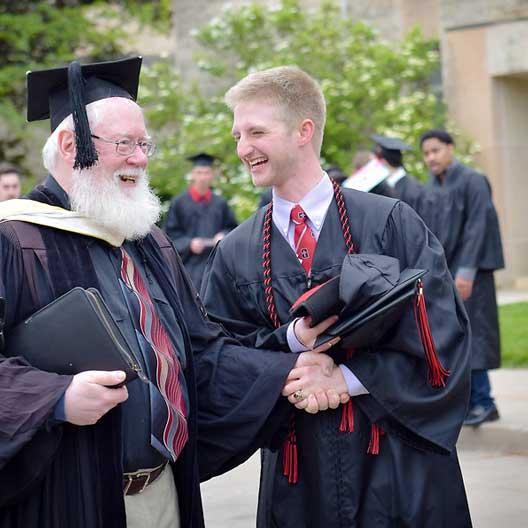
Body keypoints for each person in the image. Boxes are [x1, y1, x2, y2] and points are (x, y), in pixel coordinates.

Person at [0, 57, 335, 528]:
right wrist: (55, 398)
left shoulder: (146, 240)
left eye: (144, 144)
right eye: (124, 144)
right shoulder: (15, 238)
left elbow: (202, 351)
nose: (140, 158)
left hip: (162, 493)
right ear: (72, 145)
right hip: (63, 499)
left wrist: (287, 366)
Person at [201, 66, 472, 527]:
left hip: (395, 465)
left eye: (256, 132)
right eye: (237, 135)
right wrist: (290, 347)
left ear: (304, 131)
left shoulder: (391, 222)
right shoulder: (237, 251)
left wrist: (346, 379)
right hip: (297, 473)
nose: (242, 148)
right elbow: (216, 357)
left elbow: (441, 337)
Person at [421, 129, 505, 427]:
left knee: (476, 334)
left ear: (450, 149)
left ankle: (485, 401)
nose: (431, 157)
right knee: (455, 337)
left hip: (472, 273)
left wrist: (466, 272)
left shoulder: (472, 180)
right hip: (447, 275)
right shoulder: (431, 187)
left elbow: (478, 227)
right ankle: (469, 403)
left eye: (436, 150)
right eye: (426, 153)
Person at [165, 153, 238, 290]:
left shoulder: (220, 203)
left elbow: (233, 229)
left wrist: (223, 236)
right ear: (192, 175)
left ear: (212, 175)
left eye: (206, 173)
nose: (203, 177)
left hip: (216, 267)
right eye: (199, 173)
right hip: (188, 269)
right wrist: (189, 244)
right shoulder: (179, 203)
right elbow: (169, 236)